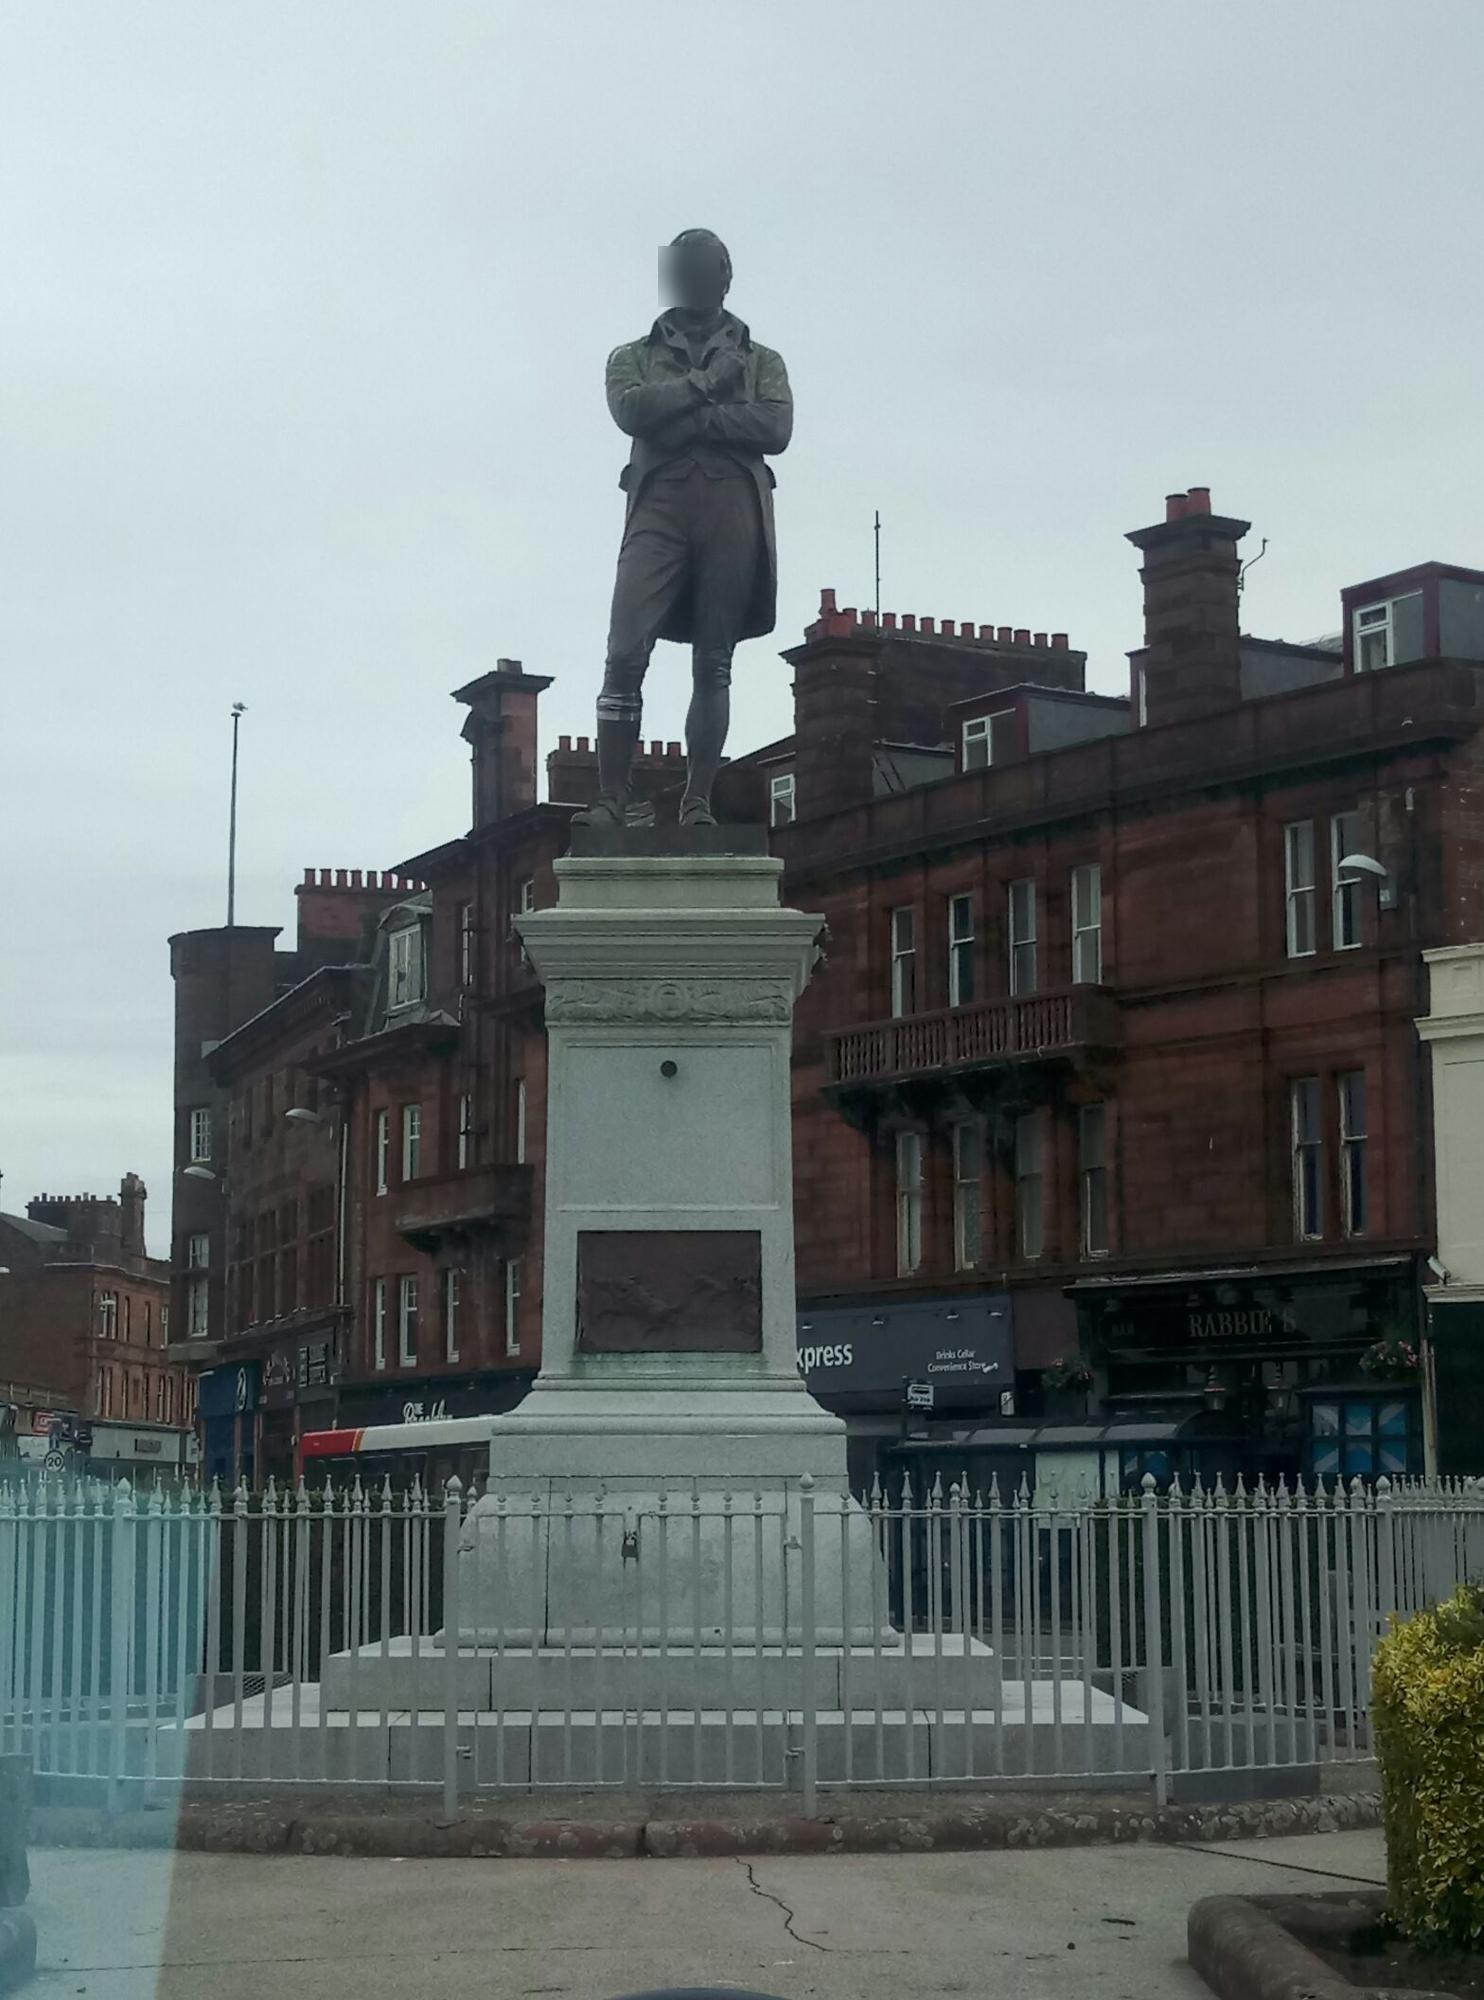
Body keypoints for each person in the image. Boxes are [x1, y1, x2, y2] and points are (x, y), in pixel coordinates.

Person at [576, 228, 793, 828]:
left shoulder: (762, 360)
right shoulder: (631, 356)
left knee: (714, 660)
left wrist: (688, 421)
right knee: (624, 651)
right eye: (683, 269)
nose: (693, 279)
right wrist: (706, 386)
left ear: (724, 278)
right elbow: (632, 412)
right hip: (660, 508)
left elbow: (775, 428)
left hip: (732, 507)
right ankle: (612, 797)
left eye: (704, 269)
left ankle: (698, 800)